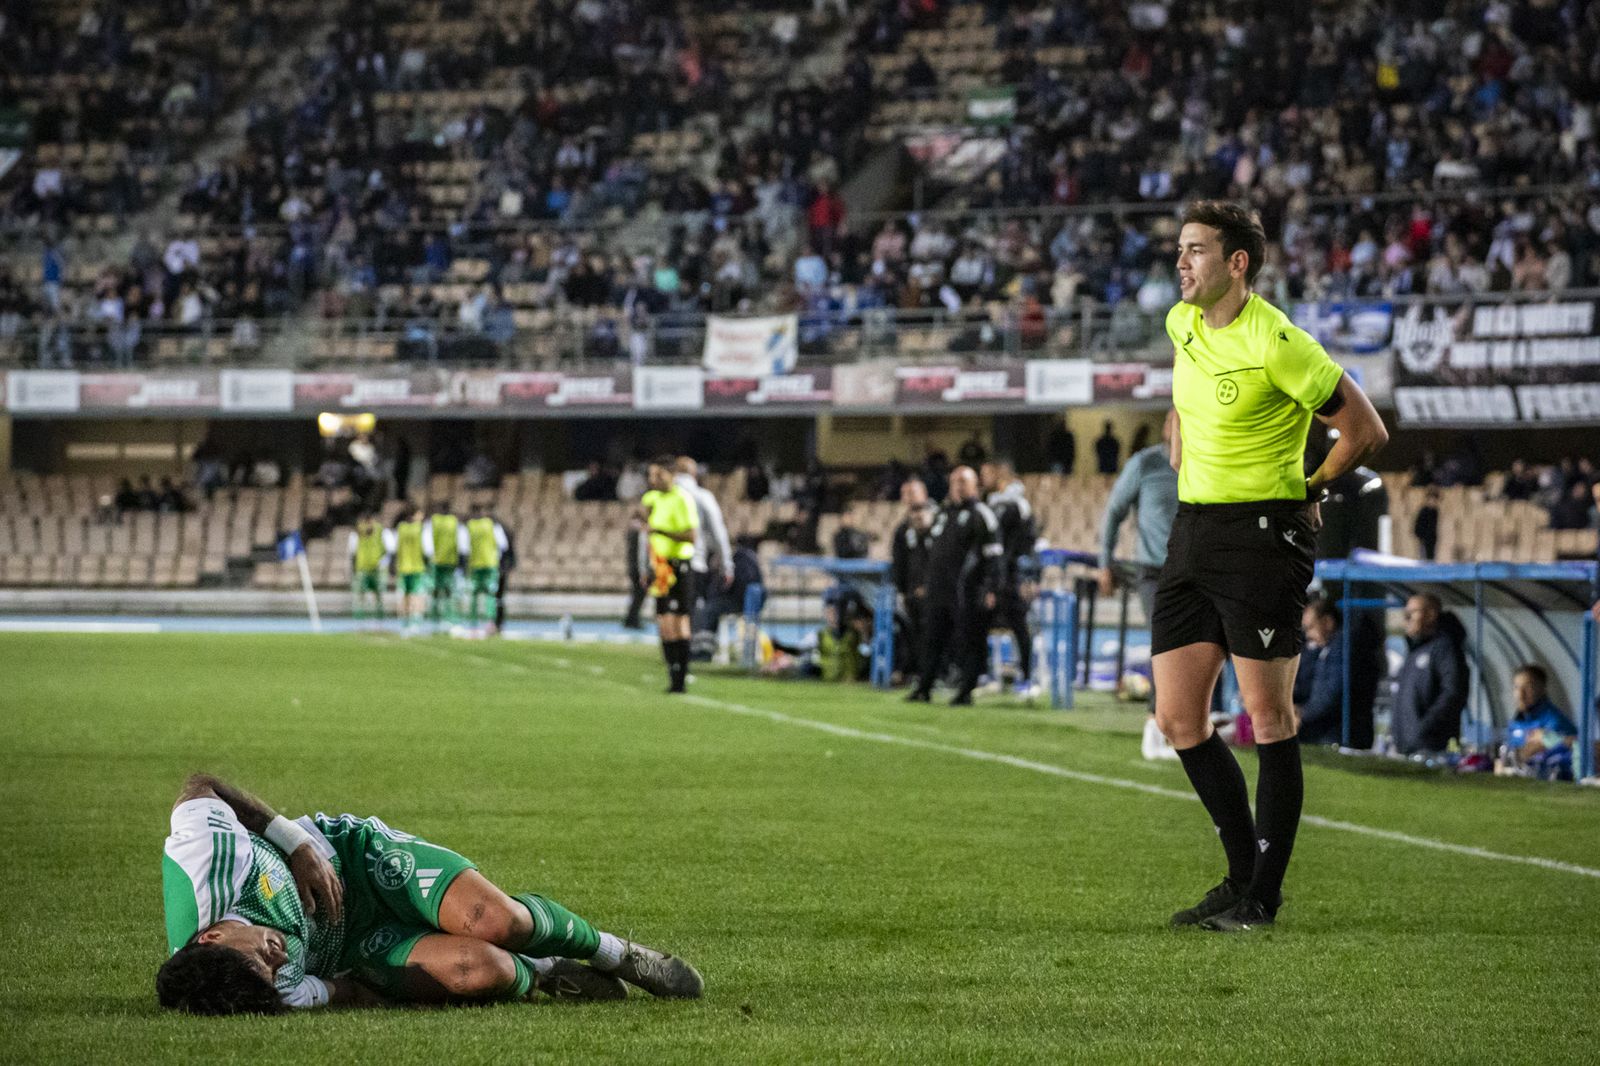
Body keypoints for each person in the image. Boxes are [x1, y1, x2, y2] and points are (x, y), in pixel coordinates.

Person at [1154, 200, 1388, 933]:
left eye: (1195, 250)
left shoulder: (1279, 341)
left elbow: (1364, 429)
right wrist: (1181, 441)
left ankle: (1264, 896)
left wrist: (1310, 490)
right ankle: (1236, 877)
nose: (1181, 262)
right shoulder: (1181, 323)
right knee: (1178, 717)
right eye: (1180, 249)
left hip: (1262, 536)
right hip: (1193, 533)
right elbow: (1182, 403)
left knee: (1267, 716)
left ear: (1237, 263)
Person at [156, 772, 702, 1014]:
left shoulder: (205, 867)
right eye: (270, 976)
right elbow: (347, 995)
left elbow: (203, 783)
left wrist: (293, 842)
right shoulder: (255, 992)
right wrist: (410, 981)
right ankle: (549, 971)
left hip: (353, 860)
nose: (275, 963)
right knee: (478, 969)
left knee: (497, 920)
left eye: (258, 958)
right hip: (357, 949)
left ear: (213, 934)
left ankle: (617, 953)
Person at [906, 466, 1003, 706]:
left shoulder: (982, 514)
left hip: (966, 591)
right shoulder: (943, 513)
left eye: (963, 481)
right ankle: (924, 686)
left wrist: (991, 588)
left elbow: (994, 556)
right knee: (932, 638)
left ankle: (966, 690)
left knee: (968, 640)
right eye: (954, 481)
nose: (957, 486)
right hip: (939, 590)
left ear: (974, 485)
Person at [980, 460, 1040, 695]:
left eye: (986, 473)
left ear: (998, 474)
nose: (982, 478)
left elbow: (1028, 542)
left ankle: (1027, 676)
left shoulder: (1018, 505)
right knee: (982, 623)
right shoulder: (990, 505)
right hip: (994, 576)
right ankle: (987, 674)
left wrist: (1029, 576)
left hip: (1013, 576)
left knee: (1019, 626)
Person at [641, 458, 700, 693]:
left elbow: (691, 536)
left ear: (671, 474)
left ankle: (681, 679)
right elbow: (648, 535)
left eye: (658, 475)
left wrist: (662, 532)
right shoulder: (653, 499)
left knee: (679, 621)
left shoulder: (682, 499)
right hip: (660, 566)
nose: (653, 480)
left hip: (679, 566)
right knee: (664, 621)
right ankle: (672, 675)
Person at [1391, 593, 1469, 756]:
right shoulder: (1414, 651)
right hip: (1408, 745)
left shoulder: (1445, 648)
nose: (1406, 619)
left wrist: (1424, 728)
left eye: (1411, 614)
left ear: (1431, 615)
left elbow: (1453, 692)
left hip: (1431, 746)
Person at [1502, 663, 1579, 781]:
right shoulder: (1516, 722)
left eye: (1528, 687)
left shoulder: (1554, 721)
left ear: (1542, 689)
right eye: (1516, 687)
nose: (1520, 695)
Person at [890, 479, 934, 679]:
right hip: (910, 591)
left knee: (932, 631)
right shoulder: (903, 528)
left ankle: (935, 671)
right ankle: (915, 669)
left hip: (932, 590)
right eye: (905, 494)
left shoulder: (937, 522)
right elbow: (899, 560)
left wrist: (927, 584)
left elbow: (937, 558)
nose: (908, 499)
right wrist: (902, 589)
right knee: (910, 631)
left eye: (912, 493)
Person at [1293, 597, 1344, 746]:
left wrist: (1303, 714)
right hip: (1325, 730)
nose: (1308, 635)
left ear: (1327, 622)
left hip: (1335, 733)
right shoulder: (1326, 649)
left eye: (1311, 627)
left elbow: (1332, 692)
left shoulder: (1341, 650)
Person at [422, 502, 468, 627]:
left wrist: (427, 558)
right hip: (450, 561)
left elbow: (427, 543)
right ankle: (449, 617)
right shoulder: (455, 522)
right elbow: (462, 543)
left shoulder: (432, 521)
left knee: (436, 589)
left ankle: (435, 617)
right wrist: (462, 561)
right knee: (449, 590)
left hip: (436, 561)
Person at [465, 503, 509, 630]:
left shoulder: (470, 526)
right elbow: (503, 545)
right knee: (490, 594)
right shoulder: (492, 525)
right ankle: (490, 622)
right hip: (490, 564)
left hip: (475, 564)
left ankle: (473, 623)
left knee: (474, 594)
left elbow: (466, 547)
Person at [348, 513, 395, 624]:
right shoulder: (357, 532)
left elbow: (389, 550)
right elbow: (353, 551)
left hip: (376, 569)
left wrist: (383, 563)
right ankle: (360, 619)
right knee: (361, 594)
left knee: (378, 594)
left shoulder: (382, 531)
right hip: (362, 568)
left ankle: (378, 619)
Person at [392, 504, 428, 631]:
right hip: (417, 567)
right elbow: (425, 548)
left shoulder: (401, 528)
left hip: (403, 567)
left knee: (405, 596)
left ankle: (405, 622)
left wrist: (394, 565)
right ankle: (416, 621)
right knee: (417, 595)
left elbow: (397, 548)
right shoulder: (420, 528)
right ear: (416, 514)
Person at [623, 514, 648, 630]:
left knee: (636, 595)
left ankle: (631, 619)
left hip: (632, 568)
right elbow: (641, 554)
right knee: (639, 596)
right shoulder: (640, 534)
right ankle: (632, 620)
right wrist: (643, 572)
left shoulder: (630, 533)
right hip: (638, 569)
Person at [1413, 488, 1440, 560]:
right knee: (1424, 556)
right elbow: (1418, 524)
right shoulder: (1423, 511)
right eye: (1431, 500)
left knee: (1431, 556)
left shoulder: (1435, 511)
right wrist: (1420, 535)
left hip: (1433, 538)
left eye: (1434, 500)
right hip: (1424, 538)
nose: (1433, 502)